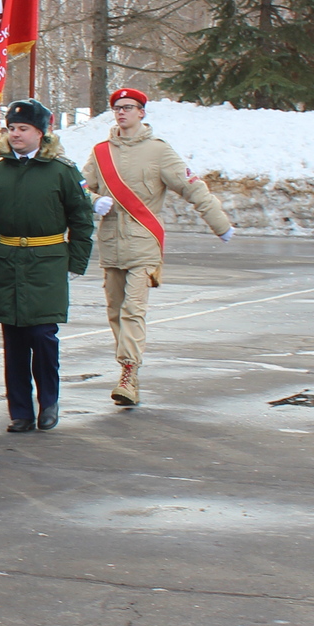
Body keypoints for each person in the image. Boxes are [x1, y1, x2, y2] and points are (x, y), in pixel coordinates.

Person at [80, 87, 234, 406]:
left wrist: (220, 223)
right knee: (115, 313)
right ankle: (127, 366)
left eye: (128, 107)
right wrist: (94, 200)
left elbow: (192, 188)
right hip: (111, 245)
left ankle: (128, 374)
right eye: (117, 107)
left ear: (142, 113)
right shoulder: (99, 152)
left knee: (133, 311)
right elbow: (77, 189)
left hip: (144, 244)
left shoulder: (159, 152)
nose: (121, 112)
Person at [0, 99, 93, 433]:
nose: (15, 134)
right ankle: (20, 410)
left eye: (23, 129)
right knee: (13, 339)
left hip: (47, 264)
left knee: (43, 337)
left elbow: (82, 218)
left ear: (41, 133)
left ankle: (49, 402)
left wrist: (77, 259)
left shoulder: (62, 171)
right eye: (12, 128)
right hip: (6, 262)